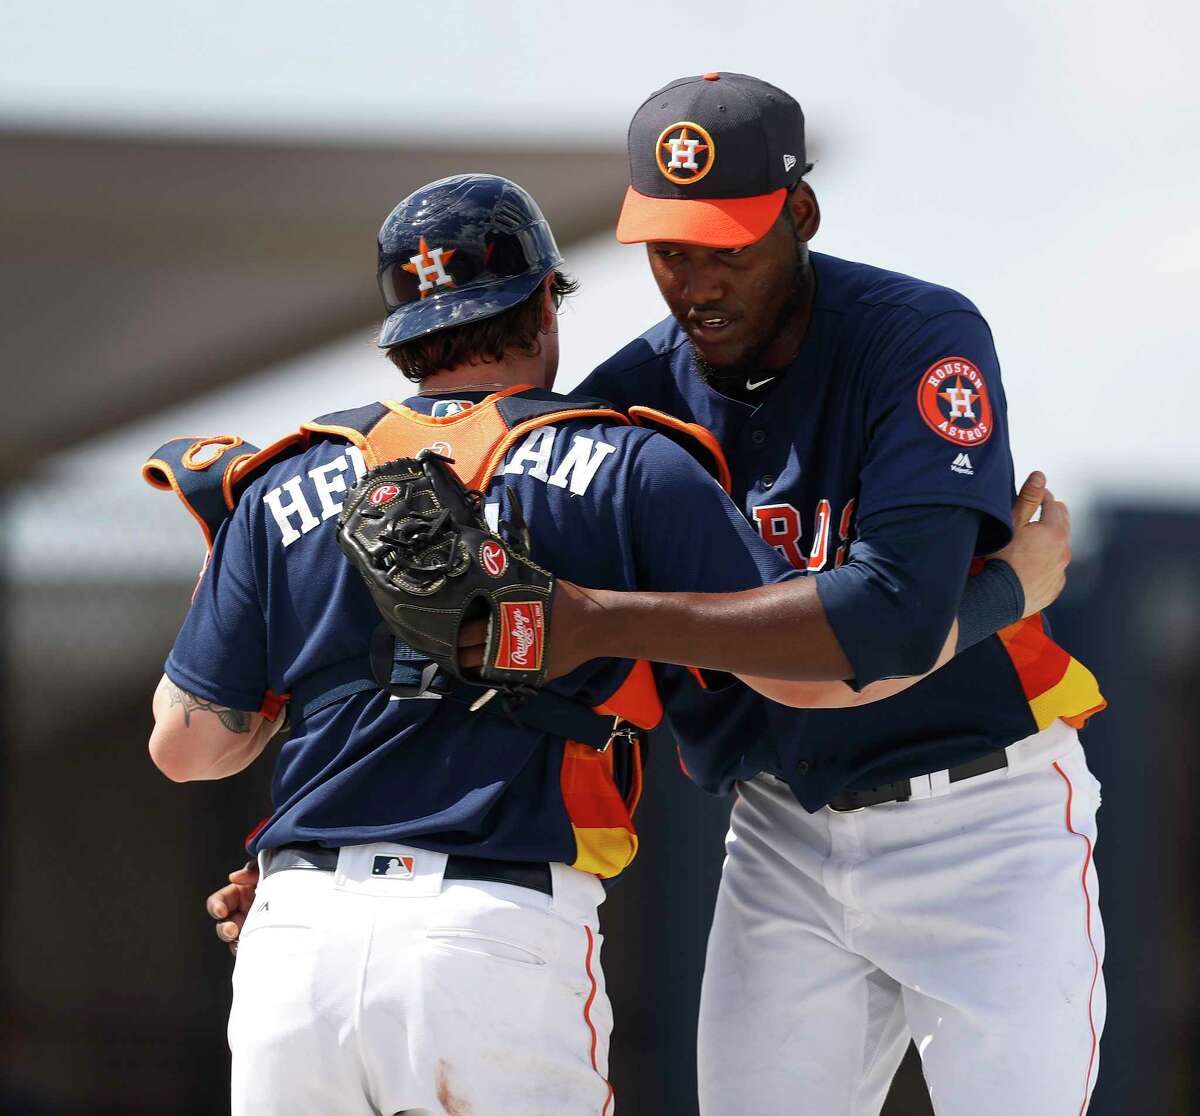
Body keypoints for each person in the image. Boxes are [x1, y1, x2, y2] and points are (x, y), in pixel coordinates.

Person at [166, 173, 1064, 1116]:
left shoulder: (283, 479)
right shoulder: (628, 460)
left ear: (400, 335)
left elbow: (185, 748)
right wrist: (1007, 590)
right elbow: (819, 675)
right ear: (546, 301)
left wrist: (237, 579)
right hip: (494, 928)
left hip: (296, 932)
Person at [553, 72, 1106, 1116]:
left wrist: (611, 617)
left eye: (731, 244)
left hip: (985, 820)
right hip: (782, 833)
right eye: (672, 249)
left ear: (800, 214)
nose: (699, 282)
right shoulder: (625, 404)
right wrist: (340, 838)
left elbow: (886, 623)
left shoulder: (915, 335)